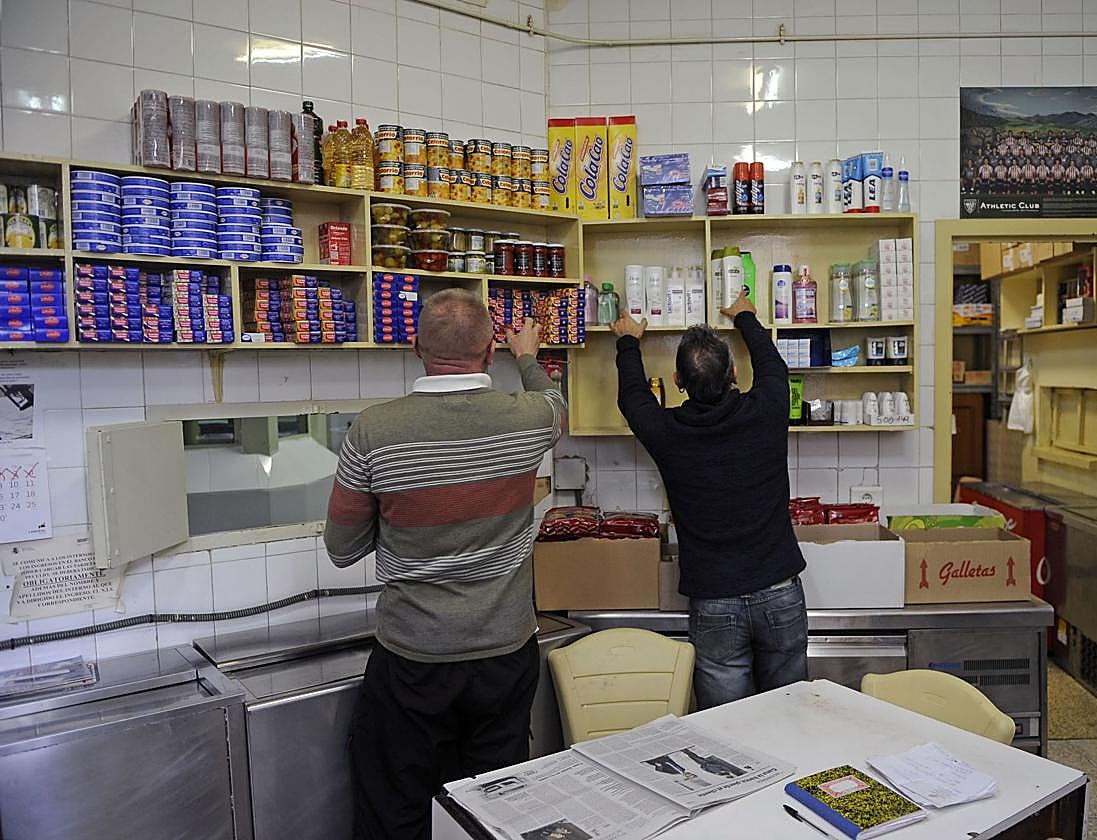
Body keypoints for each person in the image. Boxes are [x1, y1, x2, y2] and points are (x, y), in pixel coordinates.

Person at [324, 288, 566, 840]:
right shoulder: (528, 418)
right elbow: (556, 406)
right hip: (505, 656)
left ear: (417, 349)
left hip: (414, 660)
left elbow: (342, 549)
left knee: (396, 806)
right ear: (488, 353)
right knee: (491, 810)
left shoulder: (373, 431)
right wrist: (526, 353)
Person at [610, 291, 808, 710]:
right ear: (735, 373)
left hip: (714, 602)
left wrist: (629, 341)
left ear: (679, 383)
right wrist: (746, 317)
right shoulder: (769, 410)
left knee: (726, 730)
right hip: (779, 590)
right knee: (791, 715)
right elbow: (774, 366)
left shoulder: (667, 433)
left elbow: (632, 398)